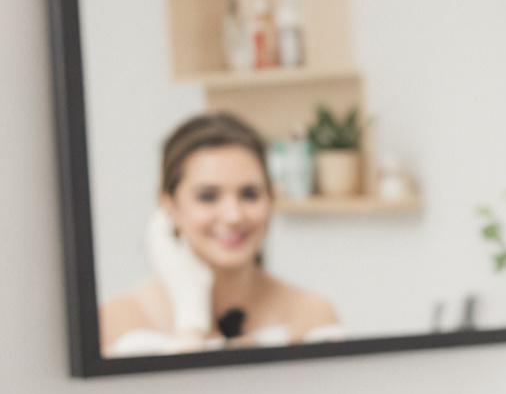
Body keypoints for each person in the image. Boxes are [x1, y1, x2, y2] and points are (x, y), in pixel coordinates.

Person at [98, 112, 343, 357]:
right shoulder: (116, 322)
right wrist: (191, 317)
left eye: (249, 194)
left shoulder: (312, 315)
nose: (233, 216)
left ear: (271, 200)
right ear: (169, 206)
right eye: (208, 196)